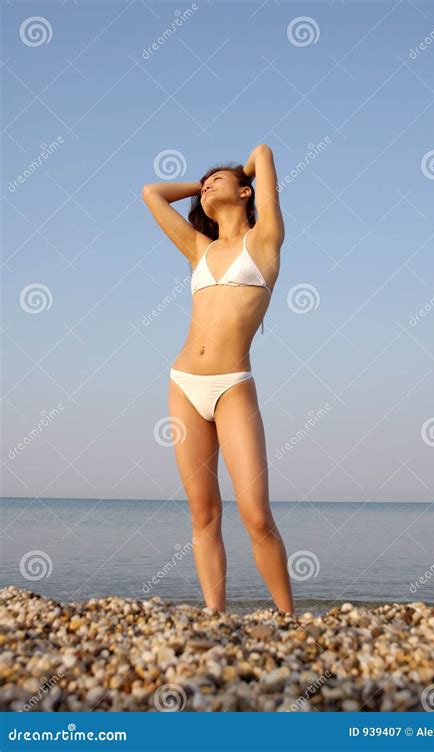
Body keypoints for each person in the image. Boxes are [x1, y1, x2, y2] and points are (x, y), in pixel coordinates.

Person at [142, 144, 294, 614]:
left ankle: (290, 618)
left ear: (247, 191)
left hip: (232, 385)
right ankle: (215, 616)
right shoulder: (198, 248)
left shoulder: (264, 238)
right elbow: (152, 192)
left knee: (256, 514)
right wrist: (209, 183)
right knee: (203, 514)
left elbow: (263, 151)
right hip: (183, 383)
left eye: (218, 180)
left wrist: (238, 170)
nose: (206, 185)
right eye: (202, 183)